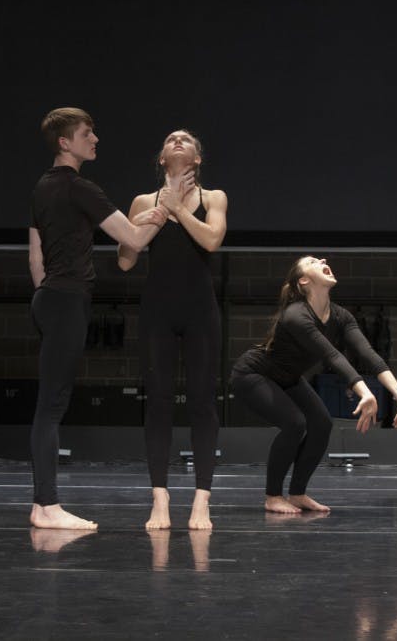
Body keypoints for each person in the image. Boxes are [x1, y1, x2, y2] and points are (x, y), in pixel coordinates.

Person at [28, 107, 168, 529]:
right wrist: (166, 208)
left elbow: (36, 256)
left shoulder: (43, 187)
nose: (95, 139)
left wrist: (47, 294)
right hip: (68, 300)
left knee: (50, 403)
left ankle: (44, 503)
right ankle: (46, 505)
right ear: (64, 142)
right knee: (51, 406)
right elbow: (133, 239)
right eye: (87, 134)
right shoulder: (82, 188)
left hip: (49, 298)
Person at [229, 256, 397, 513]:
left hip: (288, 378)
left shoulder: (341, 316)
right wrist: (364, 391)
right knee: (295, 423)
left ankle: (297, 494)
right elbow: (332, 356)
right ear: (304, 280)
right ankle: (273, 496)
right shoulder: (296, 315)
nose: (323, 259)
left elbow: (368, 354)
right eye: (314, 261)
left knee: (322, 424)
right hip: (253, 374)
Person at [118, 130, 228, 530]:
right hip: (158, 311)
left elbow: (212, 240)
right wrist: (144, 224)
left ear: (197, 159)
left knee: (202, 401)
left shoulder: (213, 198)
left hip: (200, 310)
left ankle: (202, 501)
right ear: (162, 159)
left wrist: (177, 210)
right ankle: (159, 499)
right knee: (159, 401)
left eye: (187, 140)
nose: (178, 140)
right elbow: (126, 261)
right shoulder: (142, 201)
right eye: (170, 139)